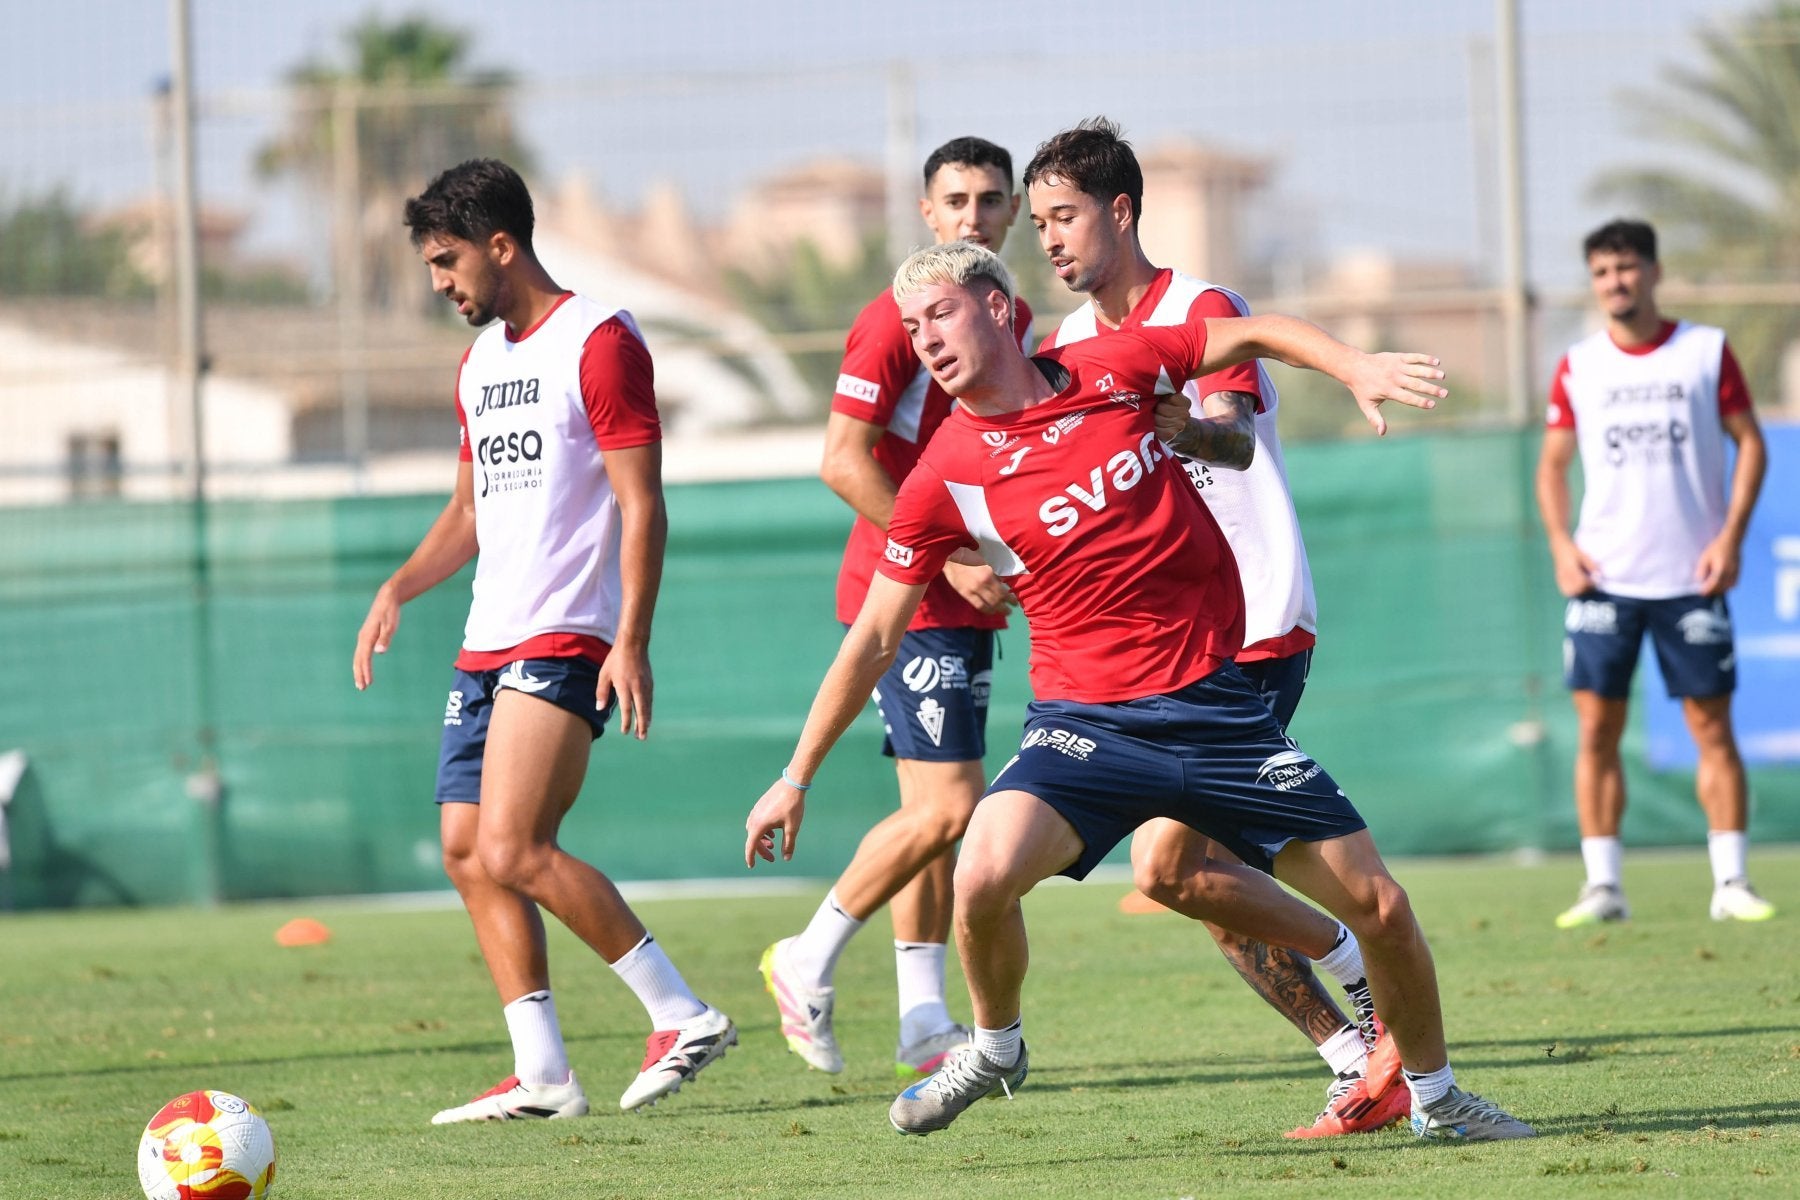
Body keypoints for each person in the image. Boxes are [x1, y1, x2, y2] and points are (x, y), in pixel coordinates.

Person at [744, 241, 1535, 1143]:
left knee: (1383, 906)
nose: (924, 339)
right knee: (982, 874)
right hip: (1084, 728)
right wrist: (796, 775)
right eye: (912, 325)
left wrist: (1355, 365)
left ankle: (1440, 1101)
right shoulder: (943, 475)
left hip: (1215, 711)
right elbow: (874, 638)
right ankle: (996, 1046)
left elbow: (1258, 333)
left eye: (943, 314)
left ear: (1000, 310)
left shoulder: (1116, 364)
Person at [1028, 117, 1400, 1139]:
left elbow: (1230, 443)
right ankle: (1363, 1049)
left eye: (1065, 217)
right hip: (1153, 651)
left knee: (1169, 869)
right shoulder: (1060, 349)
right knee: (1197, 879)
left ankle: (1371, 1004)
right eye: (1039, 225)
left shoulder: (1201, 310)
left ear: (1120, 210)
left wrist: (1183, 427)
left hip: (1250, 627)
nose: (1050, 241)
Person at [353, 159, 735, 1124]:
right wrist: (399, 584)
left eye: (446, 261)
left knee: (516, 845)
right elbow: (468, 508)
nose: (439, 282)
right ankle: (544, 1075)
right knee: (466, 849)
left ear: (501, 245)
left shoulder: (598, 342)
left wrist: (631, 638)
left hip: (567, 632)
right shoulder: (481, 364)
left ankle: (681, 1013)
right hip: (487, 638)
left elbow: (640, 502)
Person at [760, 137, 1031, 1081]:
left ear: (1013, 214)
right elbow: (842, 459)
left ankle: (922, 1019)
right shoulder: (893, 318)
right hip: (912, 593)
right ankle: (807, 956)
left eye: (992, 200)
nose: (973, 216)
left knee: (935, 812)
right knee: (954, 807)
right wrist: (952, 558)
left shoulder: (1010, 313)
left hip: (962, 589)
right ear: (926, 212)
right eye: (955, 199)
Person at [1536, 217, 1772, 928]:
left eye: (1628, 267)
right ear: (1594, 283)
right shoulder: (1579, 362)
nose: (1617, 282)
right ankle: (1602, 885)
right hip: (1604, 578)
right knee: (1597, 730)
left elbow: (1751, 444)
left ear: (1654, 272)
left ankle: (1730, 881)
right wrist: (1561, 544)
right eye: (1603, 272)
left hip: (1690, 577)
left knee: (1712, 727)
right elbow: (1551, 465)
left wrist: (1729, 536)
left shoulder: (1705, 352)